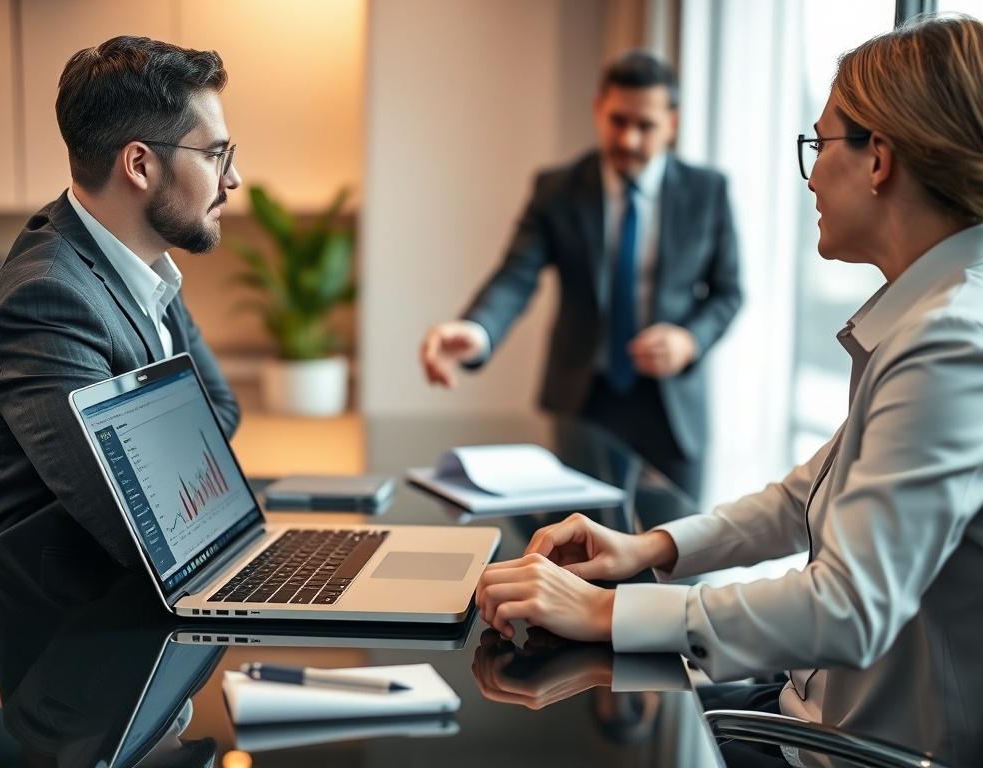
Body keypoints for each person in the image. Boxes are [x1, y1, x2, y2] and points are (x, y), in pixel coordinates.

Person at [475, 14, 983, 764]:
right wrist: (643, 547)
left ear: (879, 159)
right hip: (809, 704)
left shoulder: (950, 341)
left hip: (841, 747)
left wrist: (610, 610)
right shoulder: (931, 317)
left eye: (820, 144)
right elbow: (799, 497)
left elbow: (848, 609)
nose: (810, 175)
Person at [0, 36, 241, 571]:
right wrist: (188, 465)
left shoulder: (147, 265)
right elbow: (139, 516)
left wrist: (167, 465)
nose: (232, 178)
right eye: (215, 154)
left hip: (146, 587)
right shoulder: (43, 298)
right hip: (75, 626)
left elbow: (222, 410)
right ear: (139, 164)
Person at [419, 51, 741, 500]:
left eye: (645, 126)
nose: (628, 139)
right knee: (575, 552)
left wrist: (689, 342)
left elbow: (728, 293)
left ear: (672, 122)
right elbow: (516, 275)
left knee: (678, 554)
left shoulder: (708, 191)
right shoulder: (557, 190)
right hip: (582, 403)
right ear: (597, 110)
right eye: (617, 120)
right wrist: (478, 329)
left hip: (673, 409)